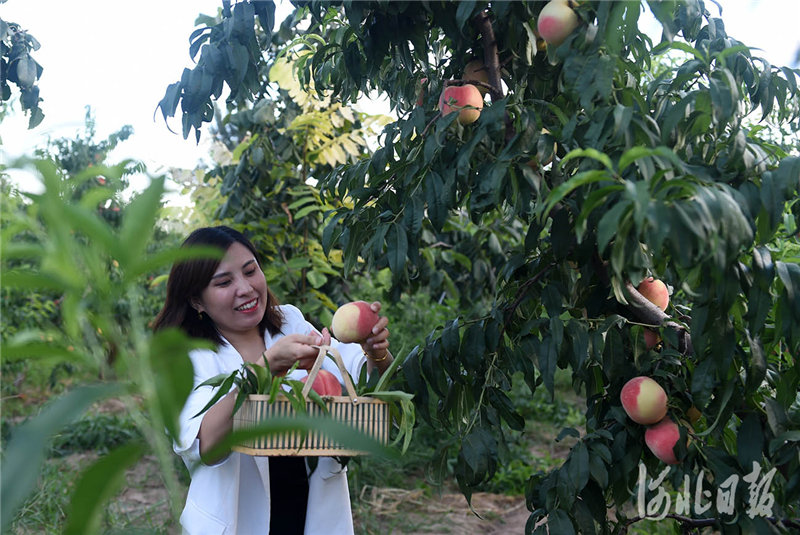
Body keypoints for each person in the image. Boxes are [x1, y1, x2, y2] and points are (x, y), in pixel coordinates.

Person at [153, 226, 393, 535]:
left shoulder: (290, 321)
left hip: (311, 515)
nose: (246, 288)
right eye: (225, 282)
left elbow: (363, 381)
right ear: (197, 301)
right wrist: (265, 368)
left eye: (250, 271)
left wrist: (374, 352)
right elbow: (208, 445)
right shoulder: (186, 358)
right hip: (238, 523)